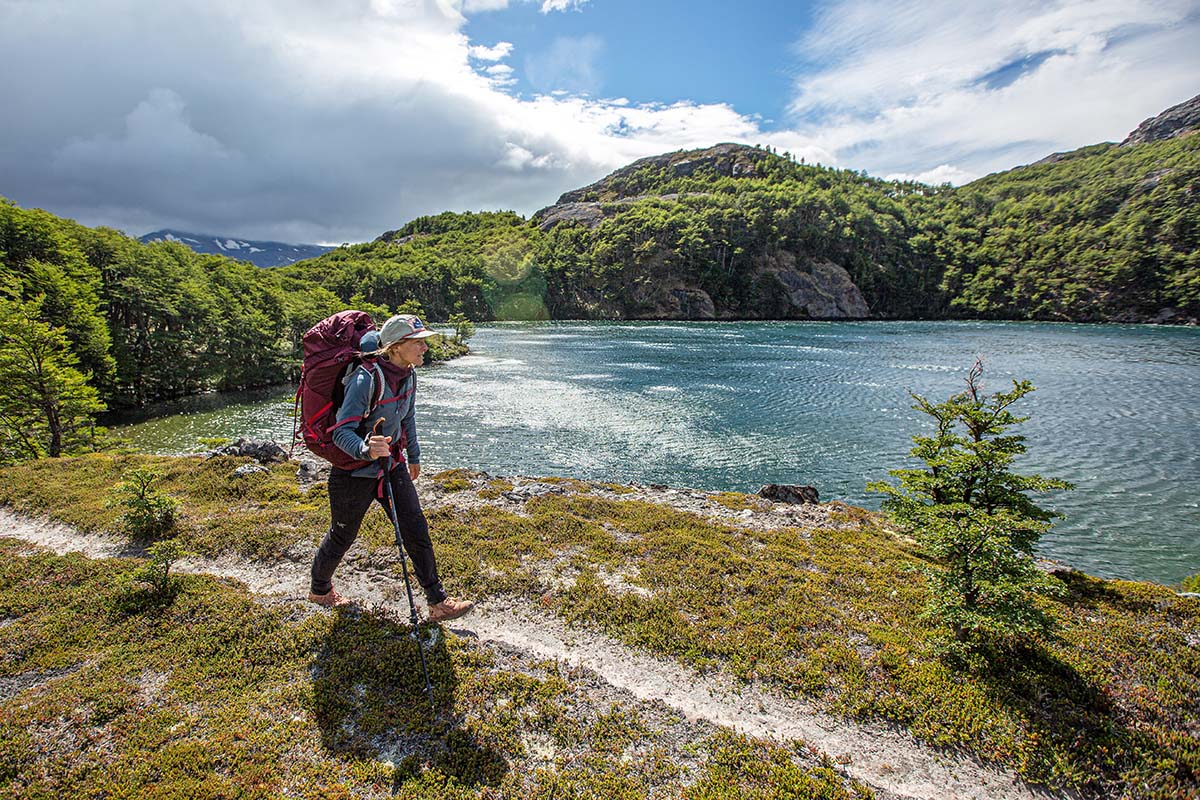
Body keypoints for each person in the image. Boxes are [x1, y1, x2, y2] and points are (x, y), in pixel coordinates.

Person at [308, 313, 474, 623]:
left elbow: (407, 417)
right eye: (418, 343)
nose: (425, 348)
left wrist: (414, 456)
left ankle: (437, 602)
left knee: (415, 528)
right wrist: (365, 448)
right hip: (353, 472)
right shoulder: (366, 379)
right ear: (396, 347)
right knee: (343, 535)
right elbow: (341, 431)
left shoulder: (409, 374)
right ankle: (319, 589)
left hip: (392, 466)